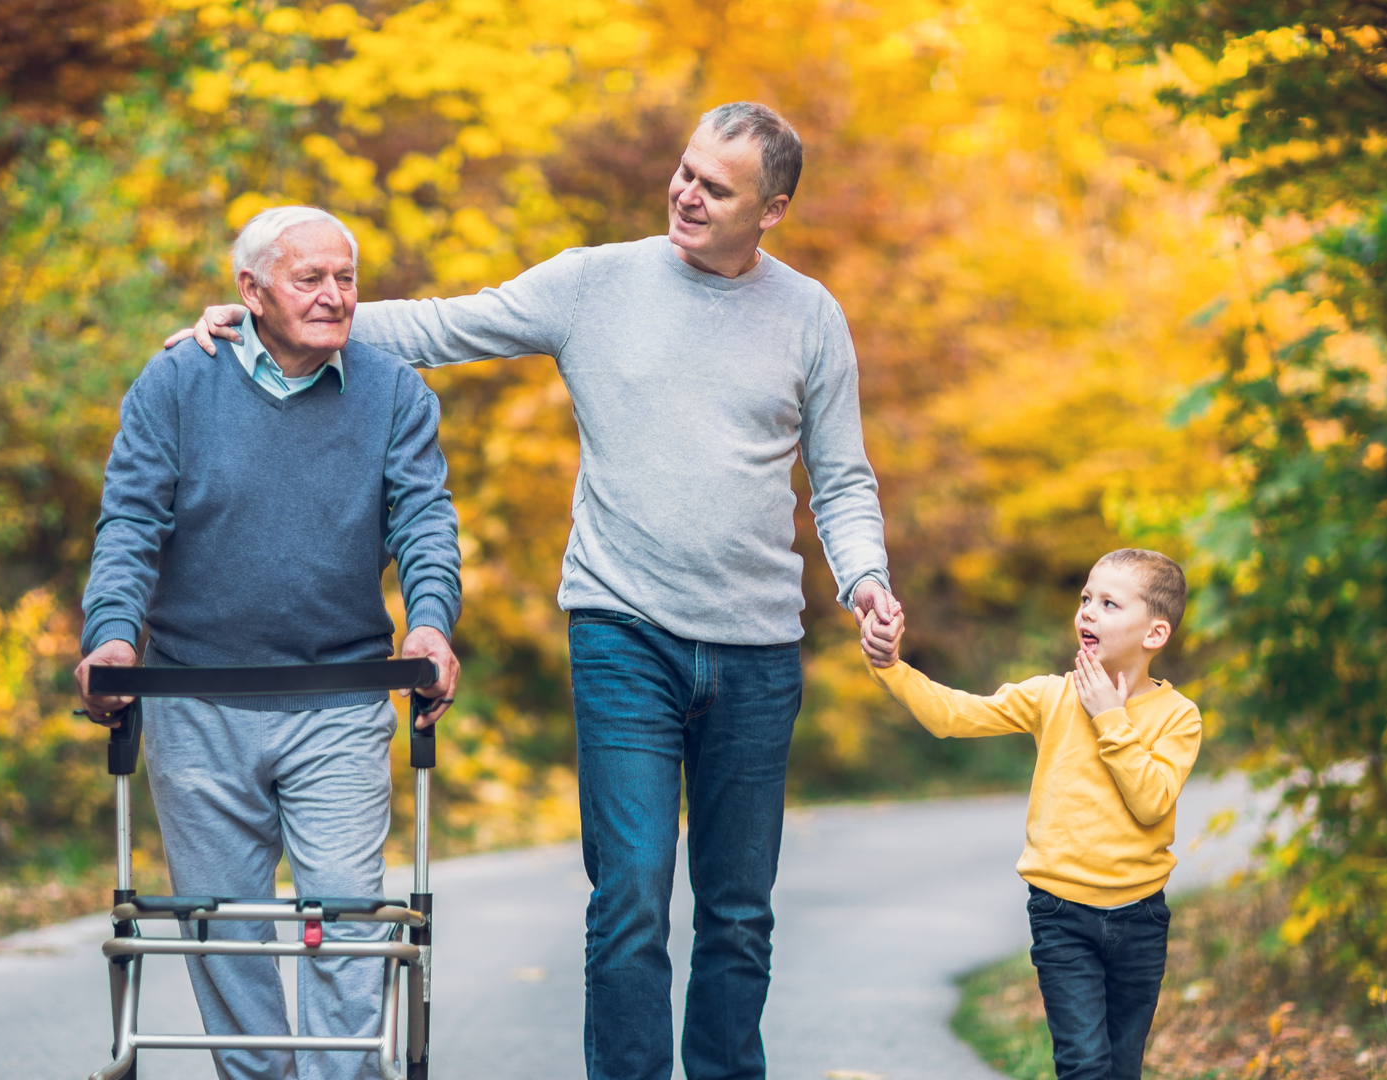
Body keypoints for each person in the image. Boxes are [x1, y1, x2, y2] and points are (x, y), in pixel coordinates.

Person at [168, 103, 899, 1080]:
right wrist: (278, 314)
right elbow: (440, 325)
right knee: (632, 892)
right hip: (622, 628)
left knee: (737, 907)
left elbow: (841, 478)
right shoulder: (595, 282)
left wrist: (866, 579)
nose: (686, 192)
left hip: (759, 647)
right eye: (685, 171)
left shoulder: (809, 315)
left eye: (715, 187)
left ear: (770, 211)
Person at [76, 205, 461, 1080]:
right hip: (196, 700)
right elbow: (131, 522)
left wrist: (431, 621)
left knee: (348, 922)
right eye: (310, 279)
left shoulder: (393, 390)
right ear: (250, 291)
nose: (334, 297)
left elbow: (425, 524)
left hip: (342, 696)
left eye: (347, 279)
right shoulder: (177, 382)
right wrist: (110, 639)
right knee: (225, 931)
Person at [858, 548, 1202, 1080]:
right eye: (1085, 598)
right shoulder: (1051, 696)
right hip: (1061, 915)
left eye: (1109, 604)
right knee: (1083, 1063)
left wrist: (1110, 718)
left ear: (1154, 634)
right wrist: (892, 669)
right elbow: (957, 715)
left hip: (1140, 919)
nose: (1087, 611)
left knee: (1121, 1068)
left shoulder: (1178, 717)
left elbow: (1151, 800)